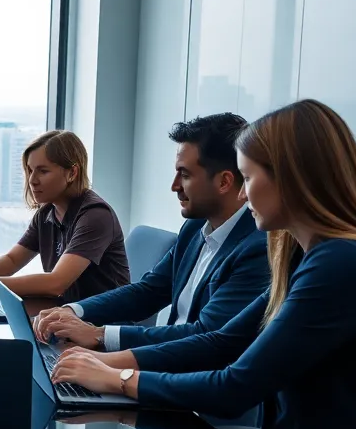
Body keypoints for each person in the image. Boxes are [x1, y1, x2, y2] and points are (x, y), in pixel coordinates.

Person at [53, 100, 356, 429]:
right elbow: (222, 342)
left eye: (249, 178)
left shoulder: (343, 266)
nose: (244, 194)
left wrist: (118, 379)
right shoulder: (305, 255)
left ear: (291, 179)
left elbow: (237, 386)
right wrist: (99, 362)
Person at [33, 113, 269, 352]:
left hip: (191, 375)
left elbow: (204, 334)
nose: (174, 185)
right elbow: (148, 292)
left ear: (224, 182)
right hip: (160, 360)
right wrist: (73, 311)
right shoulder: (195, 228)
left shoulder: (257, 248)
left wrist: (99, 336)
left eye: (185, 175)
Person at [0, 130, 130, 303]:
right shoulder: (46, 213)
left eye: (43, 171)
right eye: (30, 171)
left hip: (102, 322)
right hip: (68, 311)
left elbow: (56, 283)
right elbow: (12, 260)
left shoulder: (95, 216)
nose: (32, 180)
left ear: (72, 173)